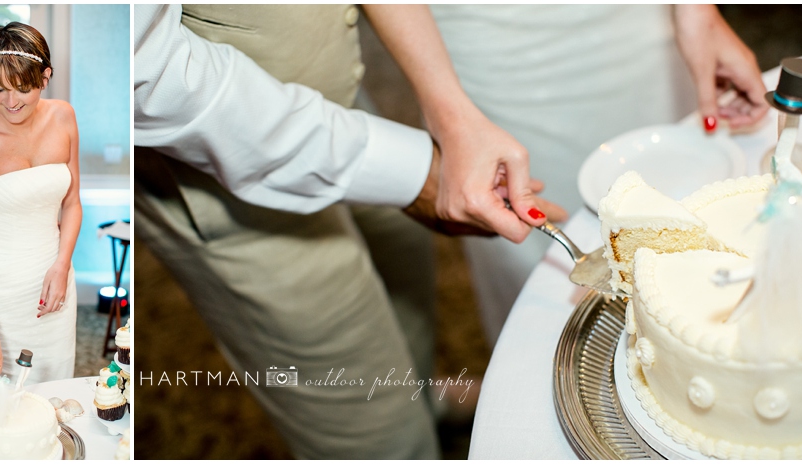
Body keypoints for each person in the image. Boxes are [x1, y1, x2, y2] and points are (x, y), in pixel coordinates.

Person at [134, 4, 564, 458]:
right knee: (365, 411)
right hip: (221, 162)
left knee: (403, 258)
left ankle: (419, 398)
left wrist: (452, 112)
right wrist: (413, 174)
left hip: (337, 98)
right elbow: (156, 76)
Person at [427, 4, 769, 347]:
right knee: (531, 267)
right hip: (493, 39)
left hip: (637, 19)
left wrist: (697, 11)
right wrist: (450, 118)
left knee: (678, 184)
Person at [0, 22, 81, 395]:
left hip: (54, 288)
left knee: (55, 397)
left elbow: (72, 205)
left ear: (45, 77)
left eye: (22, 89)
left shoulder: (64, 117)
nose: (9, 102)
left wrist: (61, 264)